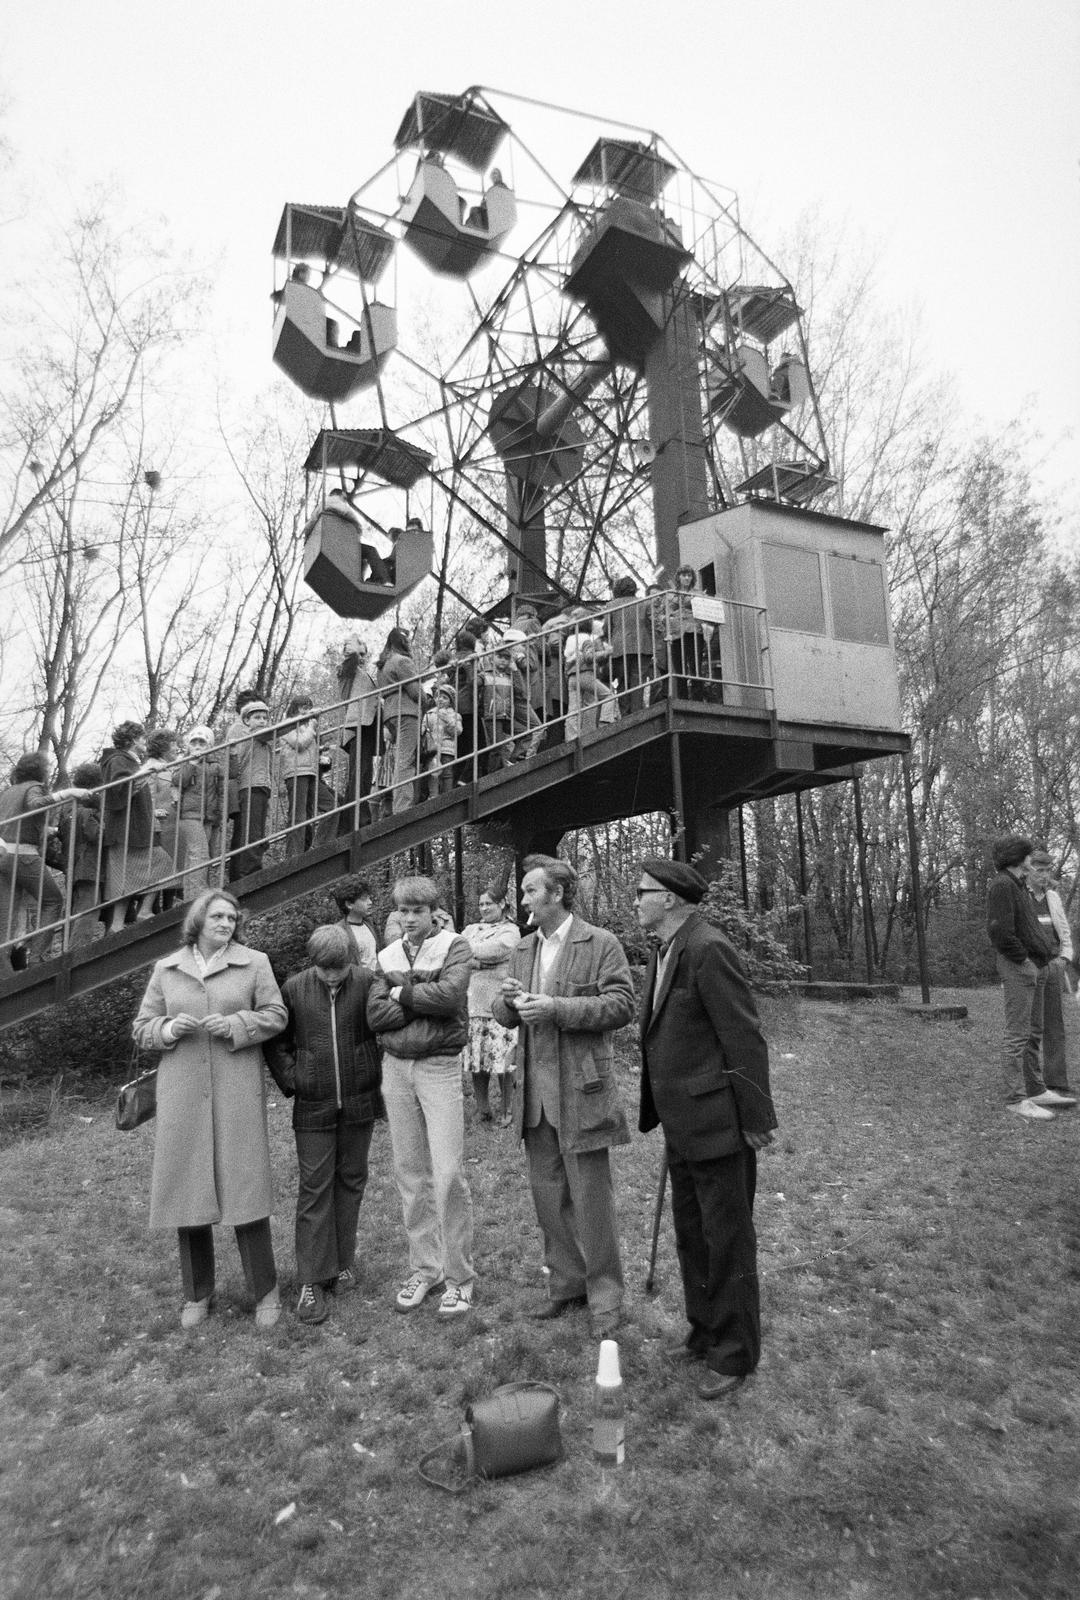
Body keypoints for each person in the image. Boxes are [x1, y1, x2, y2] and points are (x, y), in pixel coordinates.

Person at [636, 858, 777, 1400]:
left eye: (643, 892)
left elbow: (744, 1037)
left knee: (728, 1240)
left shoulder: (708, 948)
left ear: (670, 898)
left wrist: (758, 1119)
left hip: (719, 1123)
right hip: (681, 1121)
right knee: (693, 1234)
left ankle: (736, 1352)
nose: (636, 901)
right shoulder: (666, 949)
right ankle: (704, 1332)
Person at [491, 854, 634, 1338]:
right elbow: (503, 1013)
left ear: (556, 894)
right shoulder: (524, 948)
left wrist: (557, 1008)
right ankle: (567, 1285)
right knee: (547, 1197)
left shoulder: (601, 943)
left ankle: (606, 1298)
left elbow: (621, 1005)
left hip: (582, 1089)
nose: (524, 900)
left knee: (592, 1199)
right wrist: (507, 1000)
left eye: (531, 890)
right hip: (533, 1095)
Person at [132, 888, 288, 1330]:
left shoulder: (254, 963)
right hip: (182, 1092)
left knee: (246, 1186)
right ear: (197, 921)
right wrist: (166, 1028)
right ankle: (197, 1294)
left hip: (236, 1088)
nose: (226, 924)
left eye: (232, 918)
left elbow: (277, 1015)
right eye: (218, 917)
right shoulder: (166, 969)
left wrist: (237, 1023)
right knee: (187, 1188)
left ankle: (266, 1291)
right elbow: (142, 1029)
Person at [366, 876, 475, 1317]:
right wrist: (416, 998)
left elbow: (449, 998)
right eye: (402, 911)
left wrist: (401, 993)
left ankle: (460, 1278)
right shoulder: (387, 954)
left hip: (439, 1066)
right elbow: (375, 1014)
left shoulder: (455, 946)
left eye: (417, 910)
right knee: (410, 1173)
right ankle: (424, 1269)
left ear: (434, 911)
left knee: (448, 1173)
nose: (409, 918)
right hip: (395, 1069)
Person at [266, 925, 383, 1326]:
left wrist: (372, 1069)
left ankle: (342, 1261)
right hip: (312, 1106)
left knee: (352, 1179)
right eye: (324, 969)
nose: (332, 976)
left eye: (339, 969)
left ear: (351, 960)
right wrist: (294, 1079)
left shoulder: (368, 981)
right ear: (313, 963)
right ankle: (312, 1279)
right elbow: (277, 1042)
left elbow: (383, 1027)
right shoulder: (294, 988)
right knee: (314, 1187)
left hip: (359, 1100)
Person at [985, 834, 1069, 1120]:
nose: (1029, 864)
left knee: (1033, 1032)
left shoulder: (1016, 884)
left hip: (1037, 965)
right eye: (1026, 858)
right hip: (1019, 966)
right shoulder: (1002, 886)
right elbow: (1000, 932)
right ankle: (1015, 1098)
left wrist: (1043, 959)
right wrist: (1024, 961)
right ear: (1016, 859)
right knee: (1017, 1034)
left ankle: (1035, 1089)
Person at [0, 754, 88, 964]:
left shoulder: (9, 792)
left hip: (4, 855)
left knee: (8, 915)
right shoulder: (34, 787)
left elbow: (13, 824)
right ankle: (37, 958)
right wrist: (68, 793)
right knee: (53, 901)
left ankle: (6, 970)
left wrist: (47, 830)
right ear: (41, 770)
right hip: (24, 857)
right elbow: (35, 805)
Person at [460, 886, 521, 1125]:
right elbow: (455, 950)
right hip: (473, 1003)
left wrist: (472, 957)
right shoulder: (471, 929)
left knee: (503, 1059)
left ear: (502, 904)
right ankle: (482, 1108)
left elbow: (497, 951)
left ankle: (508, 1109)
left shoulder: (511, 931)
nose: (484, 908)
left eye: (489, 904)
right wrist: (477, 962)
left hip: (499, 1005)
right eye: (481, 904)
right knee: (478, 1059)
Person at [99, 721, 166, 932]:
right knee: (160, 863)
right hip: (125, 831)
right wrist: (146, 770)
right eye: (142, 738)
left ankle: (119, 924)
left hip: (132, 829)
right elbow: (119, 791)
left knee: (127, 877)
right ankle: (135, 915)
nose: (145, 743)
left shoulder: (126, 760)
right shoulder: (118, 760)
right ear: (132, 740)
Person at [1024, 846, 1078, 1107]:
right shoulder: (1019, 895)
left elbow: (1064, 933)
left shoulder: (1053, 897)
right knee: (1030, 1027)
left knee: (1054, 1025)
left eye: (1048, 870)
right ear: (1027, 869)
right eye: (1039, 870)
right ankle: (1031, 1082)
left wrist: (1064, 958)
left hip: (1053, 965)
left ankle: (1056, 1080)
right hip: (1028, 966)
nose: (1044, 875)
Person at [376, 628, 423, 815]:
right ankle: (402, 808)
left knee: (402, 758)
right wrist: (428, 697)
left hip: (390, 714)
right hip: (406, 713)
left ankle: (399, 804)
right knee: (406, 760)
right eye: (408, 640)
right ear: (403, 642)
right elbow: (415, 692)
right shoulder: (402, 661)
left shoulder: (384, 664)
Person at [229, 699, 275, 881]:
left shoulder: (260, 738)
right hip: (252, 787)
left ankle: (237, 875)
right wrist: (301, 720)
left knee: (246, 831)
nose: (262, 721)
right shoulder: (254, 734)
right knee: (253, 832)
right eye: (257, 717)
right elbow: (276, 732)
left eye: (265, 717)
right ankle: (251, 873)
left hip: (259, 787)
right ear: (247, 721)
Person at [336, 635, 379, 830]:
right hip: (357, 726)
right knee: (358, 775)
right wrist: (354, 641)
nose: (362, 657)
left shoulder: (363, 672)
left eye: (364, 654)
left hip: (368, 726)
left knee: (364, 775)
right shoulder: (347, 670)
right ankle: (354, 822)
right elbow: (351, 656)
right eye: (359, 654)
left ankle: (359, 818)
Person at [174, 726, 224, 895]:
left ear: (209, 745)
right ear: (188, 746)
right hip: (189, 815)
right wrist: (192, 763)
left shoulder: (215, 765)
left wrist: (220, 816)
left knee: (196, 857)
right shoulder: (184, 762)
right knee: (199, 854)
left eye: (202, 743)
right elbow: (178, 781)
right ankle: (197, 896)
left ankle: (189, 896)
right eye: (193, 742)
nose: (197, 746)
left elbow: (222, 790)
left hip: (209, 817)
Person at [278, 695, 319, 856]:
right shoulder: (287, 724)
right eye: (303, 707)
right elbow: (300, 743)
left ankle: (304, 851)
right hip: (295, 772)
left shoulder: (307, 725)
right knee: (298, 815)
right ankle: (293, 855)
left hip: (309, 771)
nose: (306, 710)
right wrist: (312, 728)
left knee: (308, 814)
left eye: (309, 707)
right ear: (294, 708)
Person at [606, 575, 653, 713]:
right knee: (638, 679)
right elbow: (651, 624)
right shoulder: (644, 603)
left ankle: (625, 712)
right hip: (642, 645)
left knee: (622, 680)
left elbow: (607, 627)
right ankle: (637, 711)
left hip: (619, 647)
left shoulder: (611, 605)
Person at [421, 684, 462, 796]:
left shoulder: (454, 715)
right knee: (433, 774)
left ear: (450, 701)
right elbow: (423, 728)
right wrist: (423, 729)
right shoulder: (429, 714)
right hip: (432, 749)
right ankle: (433, 796)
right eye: (438, 696)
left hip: (447, 749)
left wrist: (448, 719)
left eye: (445, 698)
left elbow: (457, 731)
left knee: (447, 773)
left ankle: (447, 796)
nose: (441, 699)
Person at [333, 875, 381, 969]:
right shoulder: (338, 932)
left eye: (369, 898)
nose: (370, 902)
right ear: (349, 904)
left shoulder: (370, 924)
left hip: (377, 979)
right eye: (364, 899)